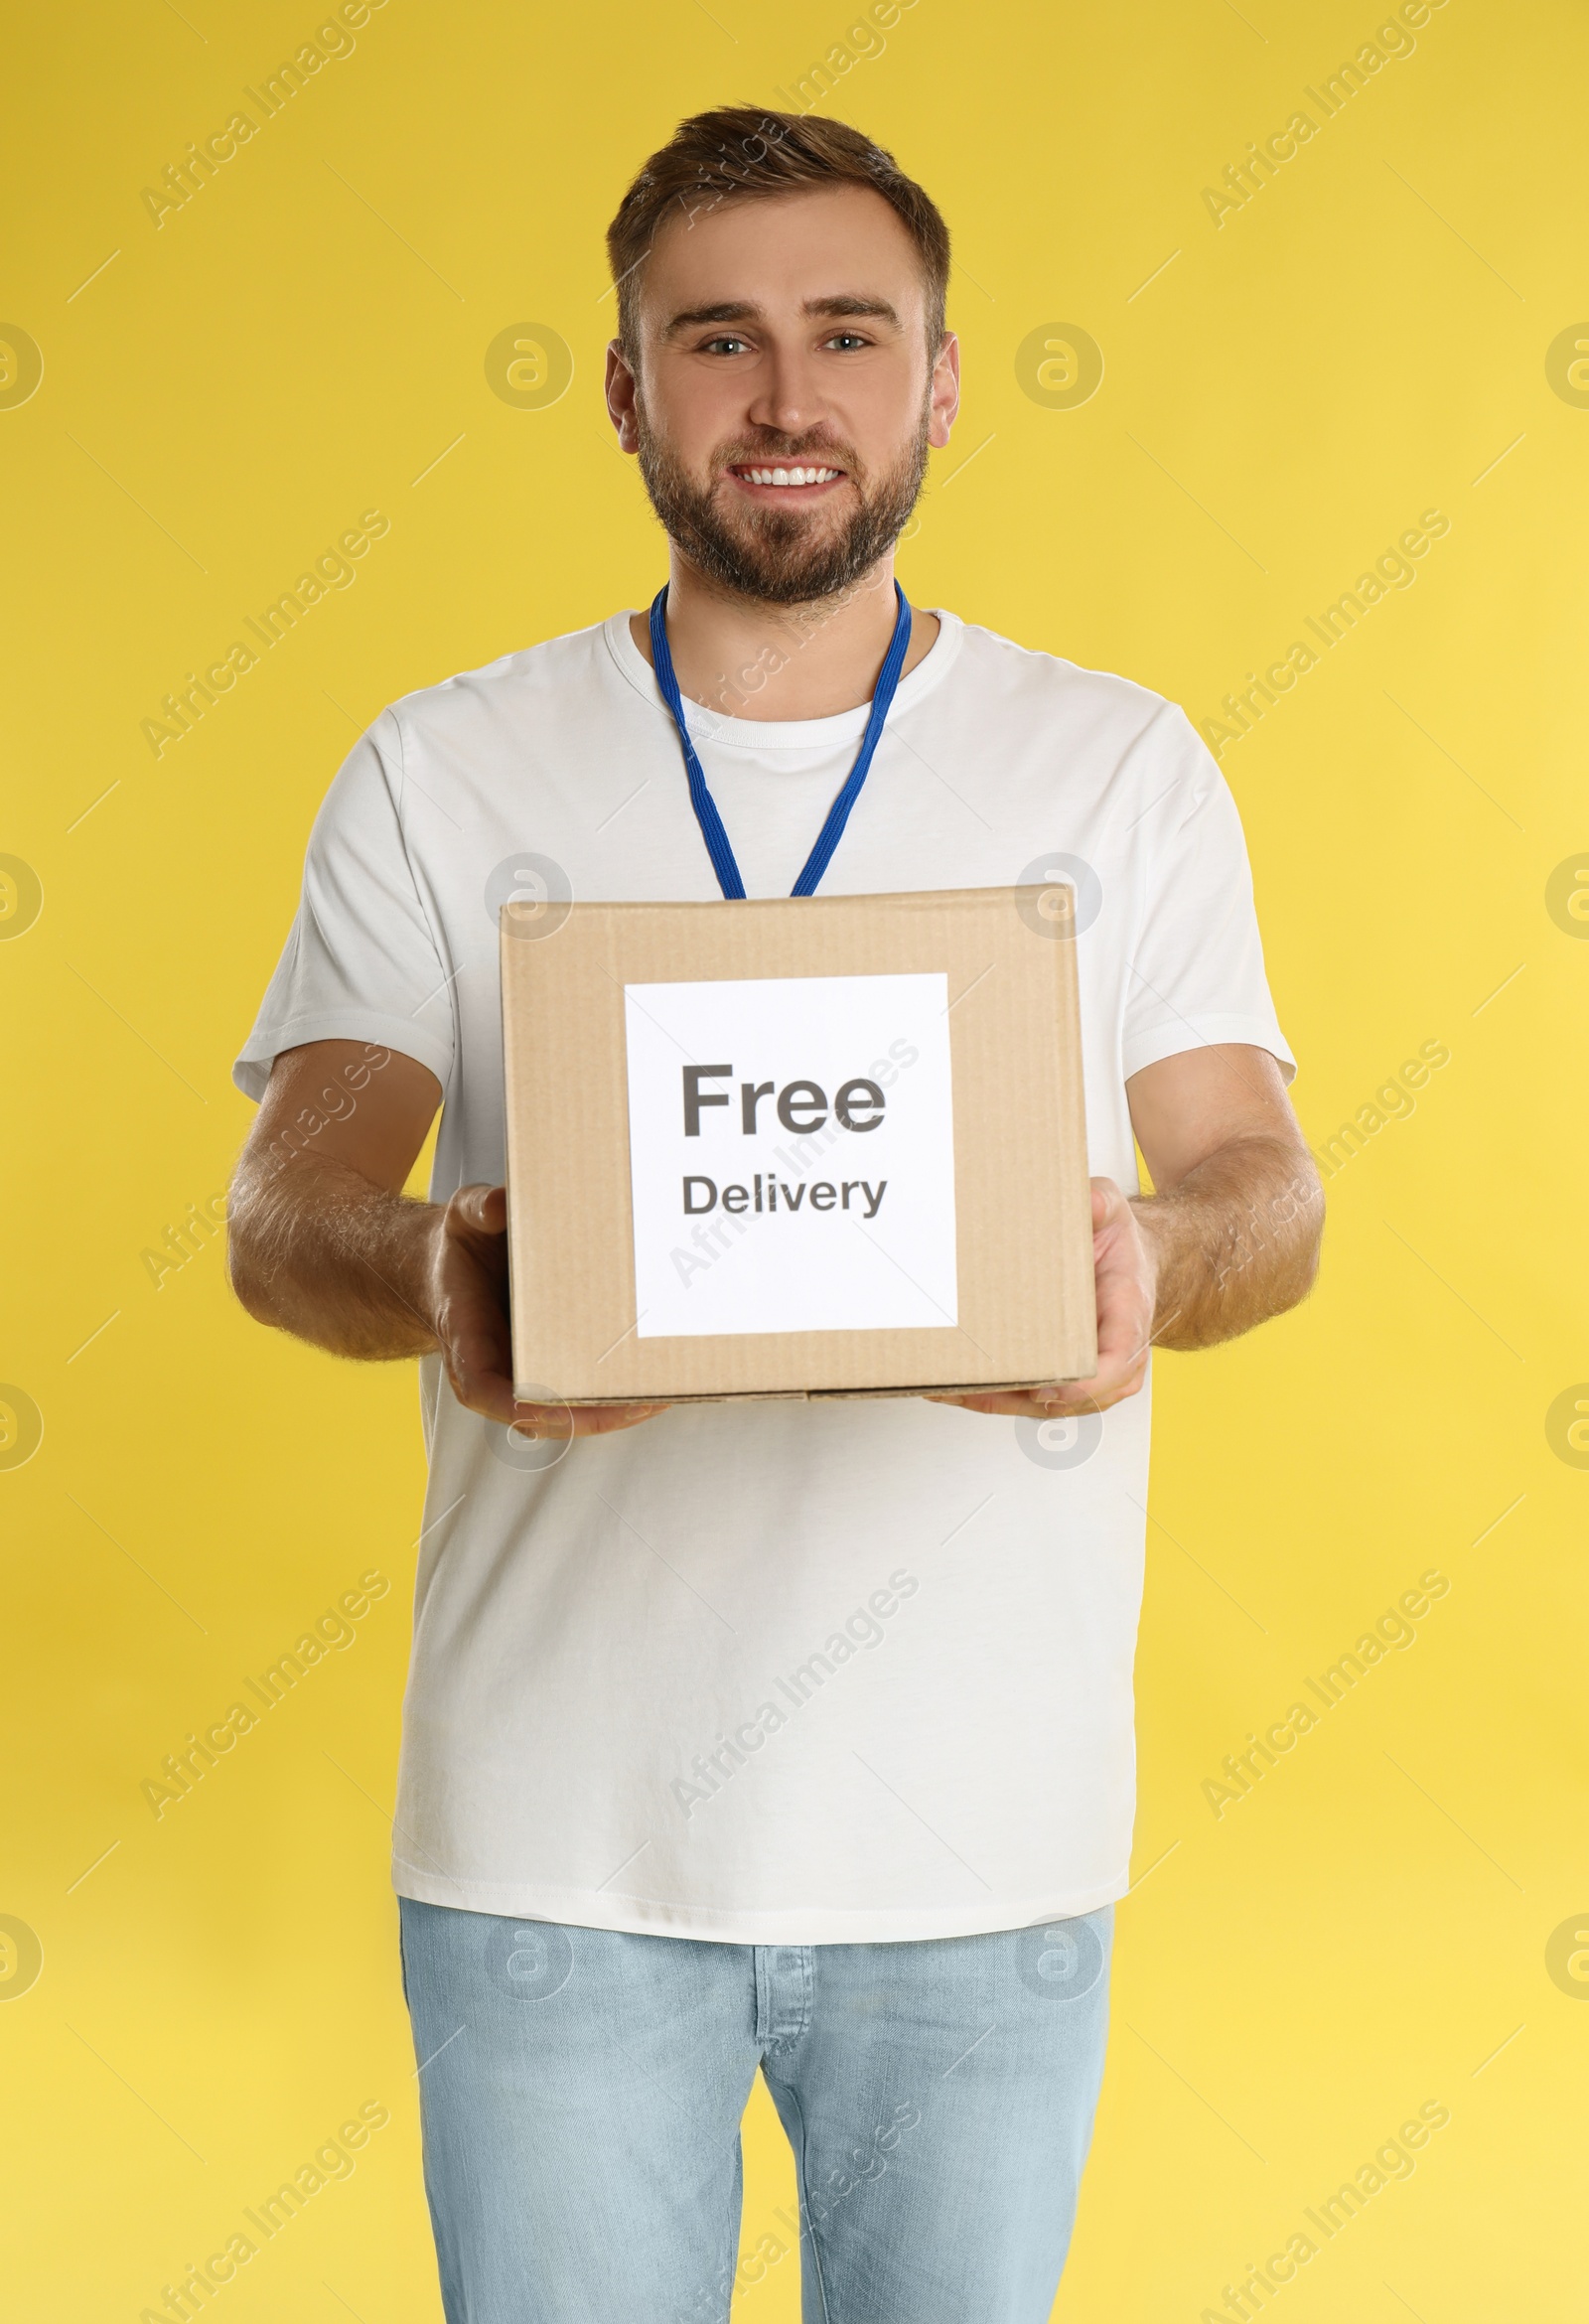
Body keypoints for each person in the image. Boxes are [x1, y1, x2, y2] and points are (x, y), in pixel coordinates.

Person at [227, 104, 1323, 2324]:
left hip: (980, 1849)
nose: (787, 398)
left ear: (935, 380)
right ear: (626, 389)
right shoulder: (446, 767)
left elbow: (1258, 1188)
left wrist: (1155, 1265)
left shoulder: (1115, 765)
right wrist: (438, 1271)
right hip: (553, 1851)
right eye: (715, 341)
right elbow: (281, 1207)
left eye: (848, 334)